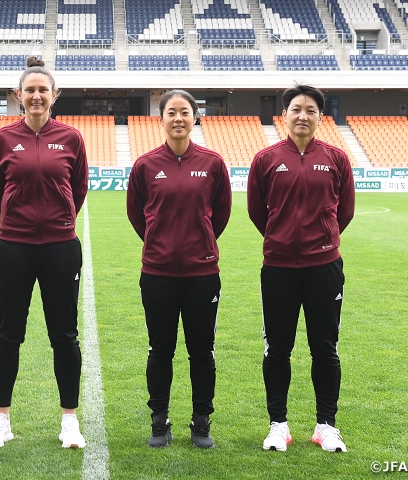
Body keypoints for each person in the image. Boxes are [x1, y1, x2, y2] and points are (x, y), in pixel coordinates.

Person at [0, 56, 89, 449]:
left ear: (54, 95)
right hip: (13, 246)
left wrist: (59, 221)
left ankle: (69, 421)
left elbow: (78, 190)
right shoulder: (2, 139)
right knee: (8, 334)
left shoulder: (72, 138)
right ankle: (0, 419)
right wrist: (17, 219)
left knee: (65, 335)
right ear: (19, 96)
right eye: (30, 90)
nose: (37, 96)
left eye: (44, 90)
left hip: (61, 247)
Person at [247, 83, 355, 453]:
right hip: (277, 268)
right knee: (277, 348)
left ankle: (326, 425)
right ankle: (278, 425)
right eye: (296, 109)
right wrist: (281, 239)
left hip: (324, 267)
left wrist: (321, 240)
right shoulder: (265, 159)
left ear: (320, 117)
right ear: (285, 114)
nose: (303, 115)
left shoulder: (337, 158)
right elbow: (257, 211)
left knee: (324, 348)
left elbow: (345, 212)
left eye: (311, 110)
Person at [127, 90, 232, 448]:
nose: (178, 118)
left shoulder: (214, 163)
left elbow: (221, 214)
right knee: (160, 350)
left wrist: (198, 242)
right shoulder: (144, 165)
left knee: (202, 351)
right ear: (161, 119)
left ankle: (201, 423)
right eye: (171, 112)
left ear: (195, 118)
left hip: (202, 273)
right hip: (157, 273)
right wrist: (159, 242)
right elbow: (136, 214)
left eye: (184, 112)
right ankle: (160, 422)